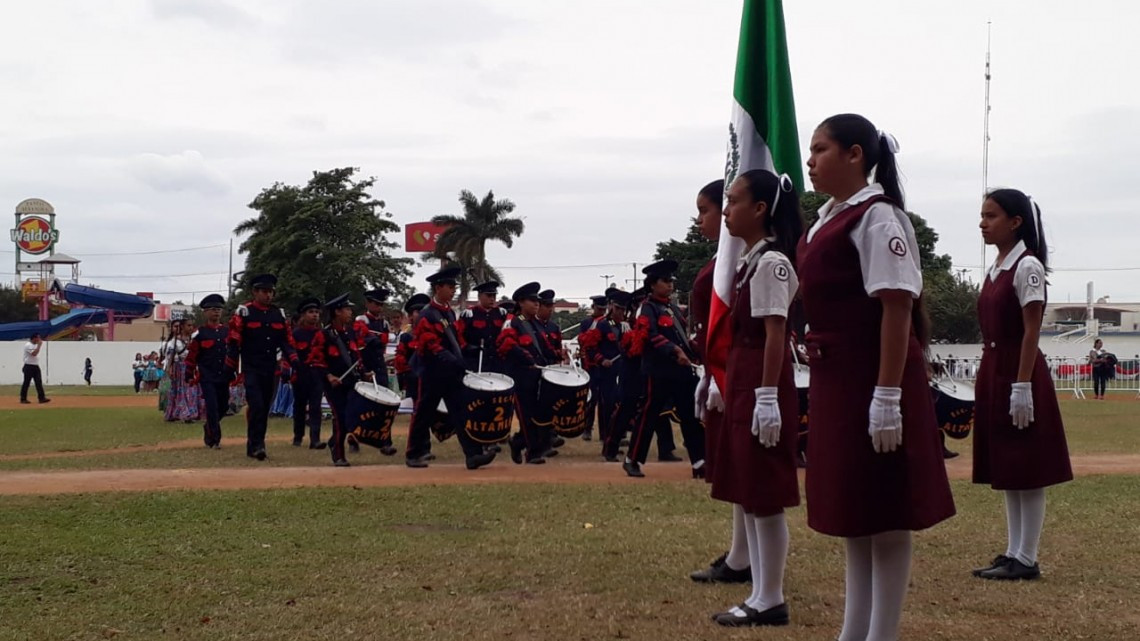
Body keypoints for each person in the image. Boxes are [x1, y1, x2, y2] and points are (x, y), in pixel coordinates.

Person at [798, 113, 955, 641]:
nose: (811, 160)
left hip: (873, 374)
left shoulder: (878, 217)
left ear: (855, 154)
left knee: (886, 510)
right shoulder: (826, 218)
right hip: (838, 378)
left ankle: (880, 634)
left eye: (820, 149)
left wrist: (887, 395)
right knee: (854, 505)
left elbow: (896, 307)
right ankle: (853, 631)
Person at [708, 170, 803, 626]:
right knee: (747, 487)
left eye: (733, 200)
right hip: (746, 378)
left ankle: (770, 596)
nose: (726, 210)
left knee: (763, 490)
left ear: (761, 209)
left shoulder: (772, 263)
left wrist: (767, 397)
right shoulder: (751, 261)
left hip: (762, 380)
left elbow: (775, 333)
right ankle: (759, 589)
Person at [972, 188, 1072, 581]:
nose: (983, 223)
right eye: (982, 215)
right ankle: (1014, 550)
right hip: (996, 367)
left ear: (1015, 222)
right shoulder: (997, 266)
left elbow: (1032, 330)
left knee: (1027, 464)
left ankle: (1027, 557)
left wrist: (1022, 385)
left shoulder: (1026, 266)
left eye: (991, 216)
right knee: (1008, 463)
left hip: (1018, 369)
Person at [688, 178, 752, 584]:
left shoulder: (741, 263)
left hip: (736, 375)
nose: (702, 219)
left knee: (749, 475)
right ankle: (740, 555)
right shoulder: (721, 263)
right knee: (734, 473)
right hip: (719, 373)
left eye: (705, 209)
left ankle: (749, 562)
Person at [405, 266, 497, 470]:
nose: (453, 289)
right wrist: (451, 358)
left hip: (451, 374)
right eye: (450, 286)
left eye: (454, 286)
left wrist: (468, 350)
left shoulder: (450, 314)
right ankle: (413, 453)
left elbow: (456, 341)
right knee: (423, 413)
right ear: (438, 288)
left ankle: (472, 455)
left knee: (461, 412)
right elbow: (429, 345)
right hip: (431, 373)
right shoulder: (427, 315)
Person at [624, 259, 705, 478]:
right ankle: (632, 459)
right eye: (665, 281)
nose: (670, 285)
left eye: (671, 281)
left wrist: (695, 351)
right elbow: (649, 336)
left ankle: (699, 462)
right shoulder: (647, 308)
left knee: (690, 416)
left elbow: (683, 338)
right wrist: (673, 351)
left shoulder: (671, 308)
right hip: (658, 372)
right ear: (652, 284)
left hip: (680, 372)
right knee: (648, 416)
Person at [225, 274, 298, 461]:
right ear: (254, 292)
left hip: (271, 368)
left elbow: (286, 341)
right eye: (264, 291)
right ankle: (256, 445)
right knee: (256, 405)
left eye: (271, 292)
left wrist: (295, 361)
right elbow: (234, 341)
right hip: (251, 368)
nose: (268, 295)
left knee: (264, 408)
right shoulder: (244, 313)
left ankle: (258, 444)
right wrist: (230, 367)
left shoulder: (278, 314)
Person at [499, 282, 557, 464]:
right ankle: (533, 452)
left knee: (539, 415)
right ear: (521, 303)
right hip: (520, 375)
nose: (536, 304)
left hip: (537, 375)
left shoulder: (535, 324)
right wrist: (527, 359)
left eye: (537, 300)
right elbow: (508, 345)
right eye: (532, 300)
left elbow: (544, 347)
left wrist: (556, 356)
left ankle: (518, 442)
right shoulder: (512, 321)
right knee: (526, 414)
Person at [318, 294, 368, 467]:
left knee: (353, 417)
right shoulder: (324, 335)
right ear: (337, 312)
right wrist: (328, 375)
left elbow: (356, 357)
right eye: (347, 309)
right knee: (340, 417)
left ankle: (334, 441)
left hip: (351, 382)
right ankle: (338, 455)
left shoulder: (349, 333)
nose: (350, 312)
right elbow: (316, 360)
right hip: (334, 384)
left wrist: (364, 373)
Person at [185, 294, 230, 449]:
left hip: (224, 375)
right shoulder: (199, 334)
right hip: (207, 376)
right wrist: (189, 373)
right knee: (212, 407)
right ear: (205, 312)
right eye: (212, 309)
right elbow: (192, 356)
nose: (215, 312)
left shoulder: (228, 332)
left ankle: (209, 426)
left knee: (223, 406)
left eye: (218, 309)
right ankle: (215, 439)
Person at [291, 298, 327, 449]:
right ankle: (298, 436)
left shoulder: (322, 333)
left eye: (317, 312)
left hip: (317, 374)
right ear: (303, 315)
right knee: (299, 406)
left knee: (315, 406)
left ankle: (315, 439)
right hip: (300, 374)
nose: (315, 315)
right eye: (311, 312)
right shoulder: (296, 334)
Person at [457, 281, 508, 373]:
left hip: (496, 359)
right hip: (475, 359)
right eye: (489, 296)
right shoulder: (469, 314)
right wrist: (466, 347)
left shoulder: (501, 313)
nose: (492, 299)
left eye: (494, 296)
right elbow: (458, 334)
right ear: (480, 296)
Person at [577, 295, 608, 440]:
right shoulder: (585, 323)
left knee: (604, 400)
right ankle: (587, 428)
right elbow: (583, 341)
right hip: (589, 365)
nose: (601, 311)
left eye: (603, 309)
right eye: (598, 308)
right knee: (590, 398)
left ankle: (604, 432)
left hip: (602, 365)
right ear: (593, 307)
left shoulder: (607, 322)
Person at [164, 320, 202, 423]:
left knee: (192, 390)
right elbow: (170, 357)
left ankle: (192, 412)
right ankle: (185, 414)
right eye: (188, 325)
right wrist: (169, 369)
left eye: (192, 325)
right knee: (182, 391)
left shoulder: (194, 339)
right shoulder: (174, 342)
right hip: (180, 368)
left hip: (192, 367)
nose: (190, 328)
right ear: (182, 327)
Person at [395, 294, 430, 402]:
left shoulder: (435, 334)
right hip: (413, 383)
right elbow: (400, 363)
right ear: (410, 316)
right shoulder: (406, 337)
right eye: (418, 312)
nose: (422, 314)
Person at [19, 333, 50, 404]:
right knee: (26, 383)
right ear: (34, 338)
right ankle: (23, 398)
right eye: (38, 338)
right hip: (28, 366)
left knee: (38, 382)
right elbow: (34, 353)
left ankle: (41, 398)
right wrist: (39, 346)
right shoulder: (28, 345)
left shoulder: (34, 345)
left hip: (35, 366)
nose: (39, 340)